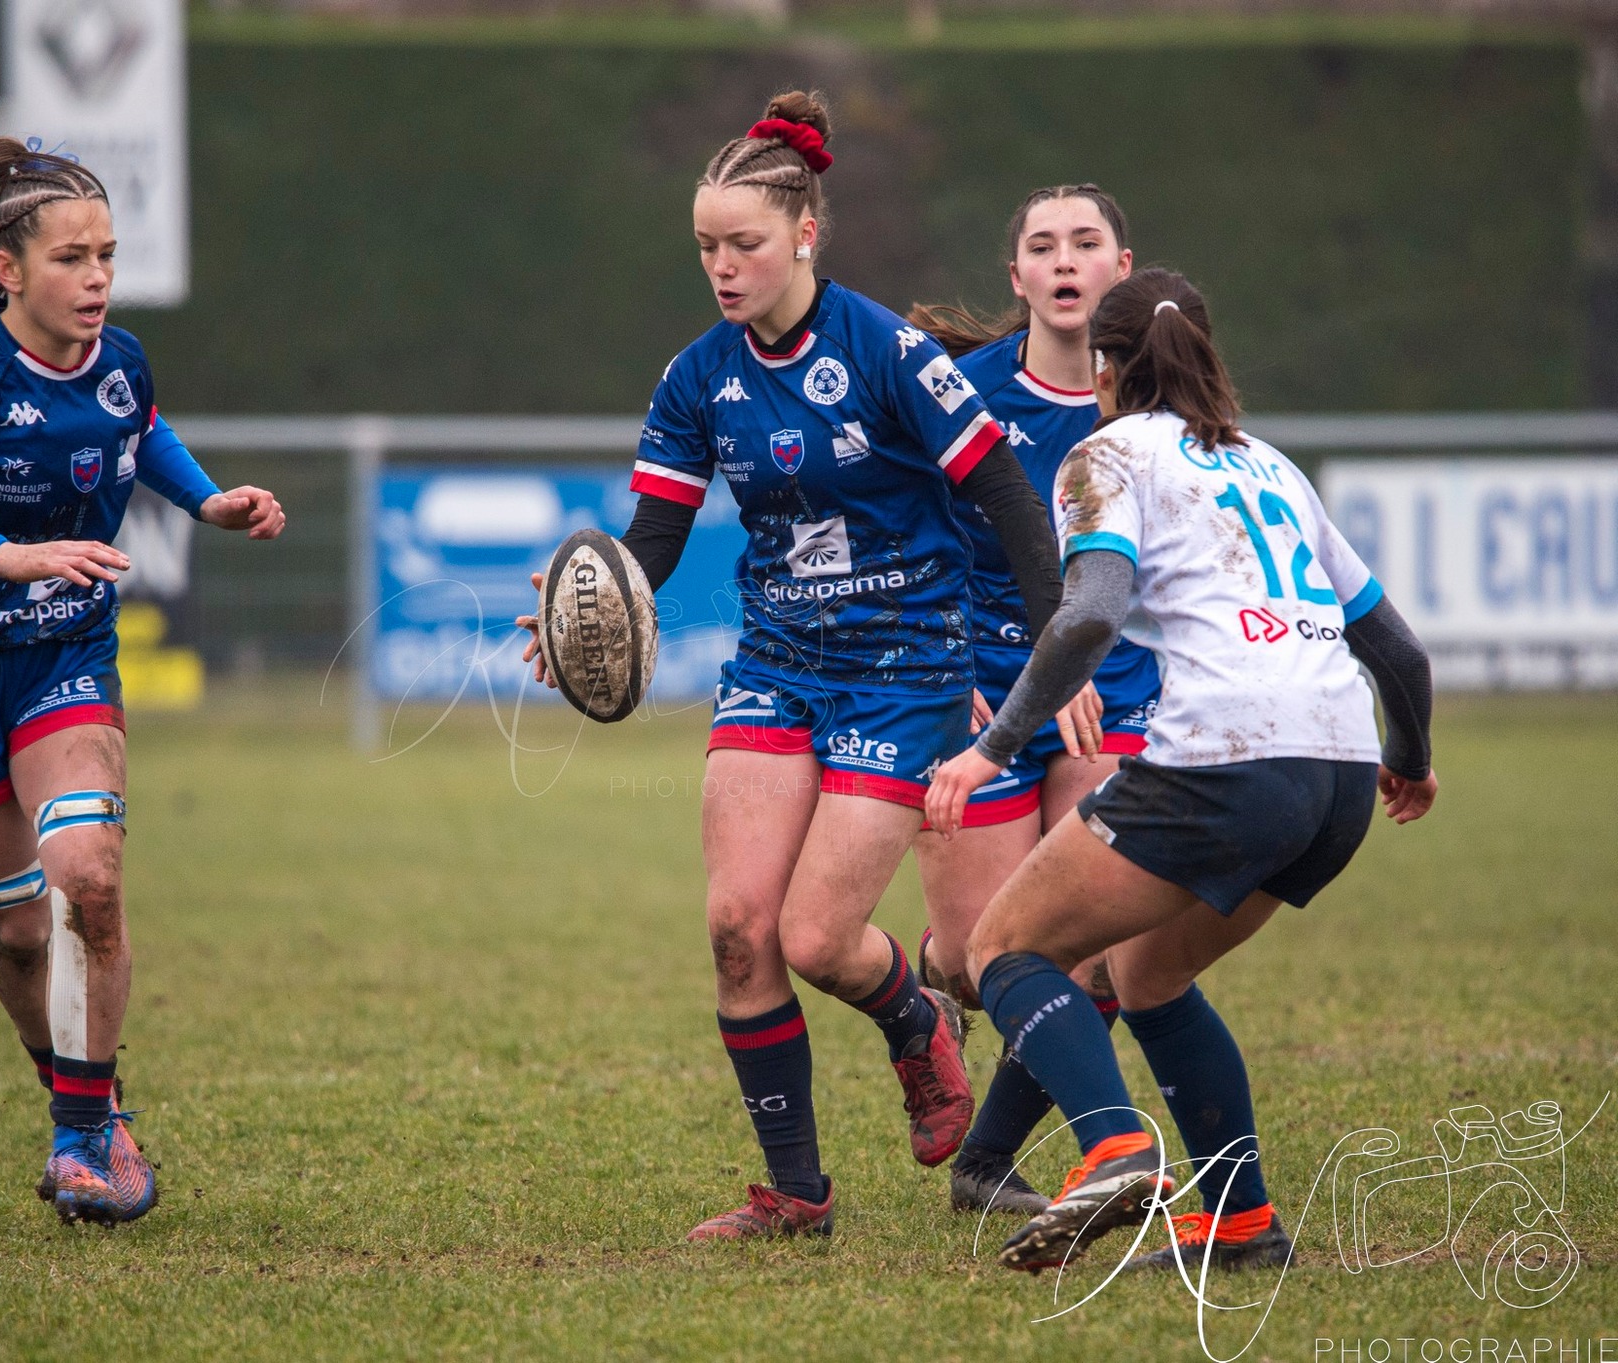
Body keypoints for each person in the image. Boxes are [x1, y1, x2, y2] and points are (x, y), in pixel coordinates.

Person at [519, 92, 1068, 1239]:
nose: (722, 268)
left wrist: (1054, 653)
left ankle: (914, 1020)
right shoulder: (696, 377)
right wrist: (591, 605)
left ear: (804, 234)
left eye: (744, 245)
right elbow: (654, 538)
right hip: (775, 660)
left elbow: (1010, 500)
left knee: (816, 940)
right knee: (735, 928)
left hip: (905, 665)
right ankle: (796, 1194)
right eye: (706, 248)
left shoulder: (889, 353)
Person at [923, 268, 1437, 1274]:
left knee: (1001, 948)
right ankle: (1239, 1226)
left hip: (1227, 756)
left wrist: (988, 747)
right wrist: (1407, 758)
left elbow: (1089, 612)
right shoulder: (1273, 466)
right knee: (1148, 973)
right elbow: (1399, 652)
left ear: (1105, 371)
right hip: (1334, 774)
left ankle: (1110, 1145)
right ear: (1206, 355)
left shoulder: (1103, 452)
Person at [0, 138, 286, 1226]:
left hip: (62, 659)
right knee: (16, 932)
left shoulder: (120, 356)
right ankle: (85, 1096)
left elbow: (138, 425)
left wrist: (205, 501)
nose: (96, 279)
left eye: (108, 256)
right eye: (71, 259)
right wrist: (16, 553)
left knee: (86, 877)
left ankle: (85, 1141)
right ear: (8, 269)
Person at [904, 185, 1157, 1217]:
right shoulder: (955, 394)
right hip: (978, 695)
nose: (1063, 260)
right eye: (1041, 246)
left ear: (1119, 268)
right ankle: (928, 977)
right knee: (979, 963)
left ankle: (987, 1163)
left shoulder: (1157, 405)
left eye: (1084, 242)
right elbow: (898, 543)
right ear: (1016, 277)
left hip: (1113, 693)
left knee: (1093, 952)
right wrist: (954, 670)